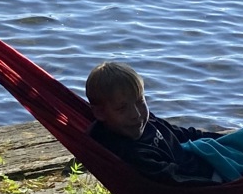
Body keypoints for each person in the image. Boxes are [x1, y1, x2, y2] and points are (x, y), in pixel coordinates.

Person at [86, 60, 222, 184]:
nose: (136, 114)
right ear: (100, 113)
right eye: (122, 108)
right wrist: (224, 184)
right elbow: (176, 180)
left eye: (140, 102)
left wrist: (223, 140)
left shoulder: (144, 120)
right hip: (210, 181)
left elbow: (181, 134)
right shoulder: (130, 153)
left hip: (208, 159)